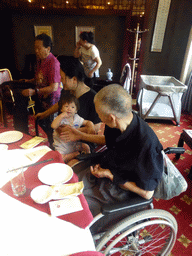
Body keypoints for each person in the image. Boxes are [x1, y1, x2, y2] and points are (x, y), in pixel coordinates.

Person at [61, 84, 164, 217]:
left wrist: (110, 175)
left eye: (98, 114)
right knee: (65, 188)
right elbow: (108, 140)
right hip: (107, 169)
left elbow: (147, 193)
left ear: (111, 117)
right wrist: (80, 135)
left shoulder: (146, 145)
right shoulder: (117, 123)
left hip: (120, 188)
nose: (97, 117)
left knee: (73, 208)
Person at [35, 56, 101, 150]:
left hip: (82, 143)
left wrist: (73, 131)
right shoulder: (67, 91)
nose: (61, 81)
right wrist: (44, 114)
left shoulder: (93, 98)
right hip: (62, 140)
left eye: (62, 78)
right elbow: (60, 104)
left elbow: (97, 127)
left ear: (74, 79)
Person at [12, 33, 61, 147]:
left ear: (48, 49)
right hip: (41, 96)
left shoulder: (53, 63)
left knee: (50, 126)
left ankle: (54, 147)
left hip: (51, 100)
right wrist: (29, 81)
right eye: (35, 48)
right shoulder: (40, 60)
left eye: (39, 48)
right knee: (41, 122)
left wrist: (34, 92)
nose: (36, 51)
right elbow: (40, 78)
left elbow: (53, 87)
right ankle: (23, 133)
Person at [51, 91, 93, 165]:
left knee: (86, 146)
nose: (69, 109)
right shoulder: (60, 119)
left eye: (72, 107)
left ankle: (88, 160)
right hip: (62, 146)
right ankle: (75, 154)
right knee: (59, 159)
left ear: (76, 110)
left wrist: (90, 124)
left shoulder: (77, 118)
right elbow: (53, 126)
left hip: (73, 144)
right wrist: (61, 116)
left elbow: (86, 122)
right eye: (66, 106)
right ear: (61, 109)